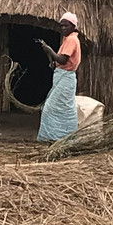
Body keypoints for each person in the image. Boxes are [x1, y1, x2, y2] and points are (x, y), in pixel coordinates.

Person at [36, 12, 81, 142]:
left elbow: (62, 59)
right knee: (64, 109)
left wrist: (49, 50)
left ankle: (57, 137)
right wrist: (54, 63)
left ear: (73, 26)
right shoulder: (68, 39)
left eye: (66, 26)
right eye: (61, 26)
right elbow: (61, 62)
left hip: (66, 78)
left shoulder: (72, 39)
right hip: (63, 76)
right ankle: (64, 137)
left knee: (50, 108)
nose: (63, 28)